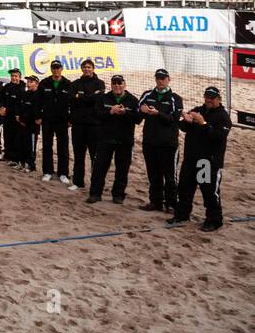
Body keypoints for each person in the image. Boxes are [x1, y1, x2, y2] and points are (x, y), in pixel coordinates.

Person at [171, 86, 231, 231]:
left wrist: (203, 123)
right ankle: (182, 215)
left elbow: (218, 137)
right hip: (191, 158)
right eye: (207, 96)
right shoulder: (198, 109)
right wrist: (185, 120)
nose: (209, 100)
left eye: (212, 97)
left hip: (207, 162)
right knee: (184, 188)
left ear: (218, 99)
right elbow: (185, 128)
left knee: (209, 191)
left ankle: (214, 220)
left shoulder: (223, 116)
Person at [87, 75, 140, 204]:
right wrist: (110, 112)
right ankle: (95, 194)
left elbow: (138, 119)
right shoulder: (103, 98)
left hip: (124, 141)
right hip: (105, 139)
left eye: (119, 83)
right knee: (99, 168)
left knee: (122, 169)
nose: (117, 86)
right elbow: (96, 114)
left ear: (124, 84)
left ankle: (118, 195)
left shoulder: (132, 100)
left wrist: (125, 113)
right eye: (114, 83)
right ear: (111, 85)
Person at [137, 67, 182, 214]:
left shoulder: (175, 98)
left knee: (170, 176)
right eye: (158, 78)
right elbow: (138, 109)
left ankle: (171, 204)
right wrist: (141, 110)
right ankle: (155, 201)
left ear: (169, 80)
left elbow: (174, 119)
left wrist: (158, 113)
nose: (160, 81)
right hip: (150, 142)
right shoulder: (148, 94)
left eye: (163, 78)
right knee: (153, 174)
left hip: (168, 144)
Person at [68, 59, 106, 192]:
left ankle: (96, 184)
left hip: (94, 125)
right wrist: (90, 97)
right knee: (78, 155)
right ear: (81, 69)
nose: (86, 69)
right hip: (78, 124)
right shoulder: (75, 83)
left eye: (89, 67)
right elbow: (72, 100)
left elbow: (98, 99)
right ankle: (78, 182)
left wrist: (82, 97)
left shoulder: (100, 83)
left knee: (94, 156)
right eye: (84, 67)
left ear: (93, 68)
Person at [36, 61, 72, 183]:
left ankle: (63, 173)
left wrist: (70, 119)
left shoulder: (68, 84)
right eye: (53, 68)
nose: (56, 70)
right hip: (47, 120)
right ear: (51, 69)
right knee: (46, 146)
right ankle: (47, 172)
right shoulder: (44, 83)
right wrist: (38, 116)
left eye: (58, 68)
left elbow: (72, 104)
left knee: (63, 147)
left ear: (61, 69)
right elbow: (38, 102)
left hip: (62, 121)